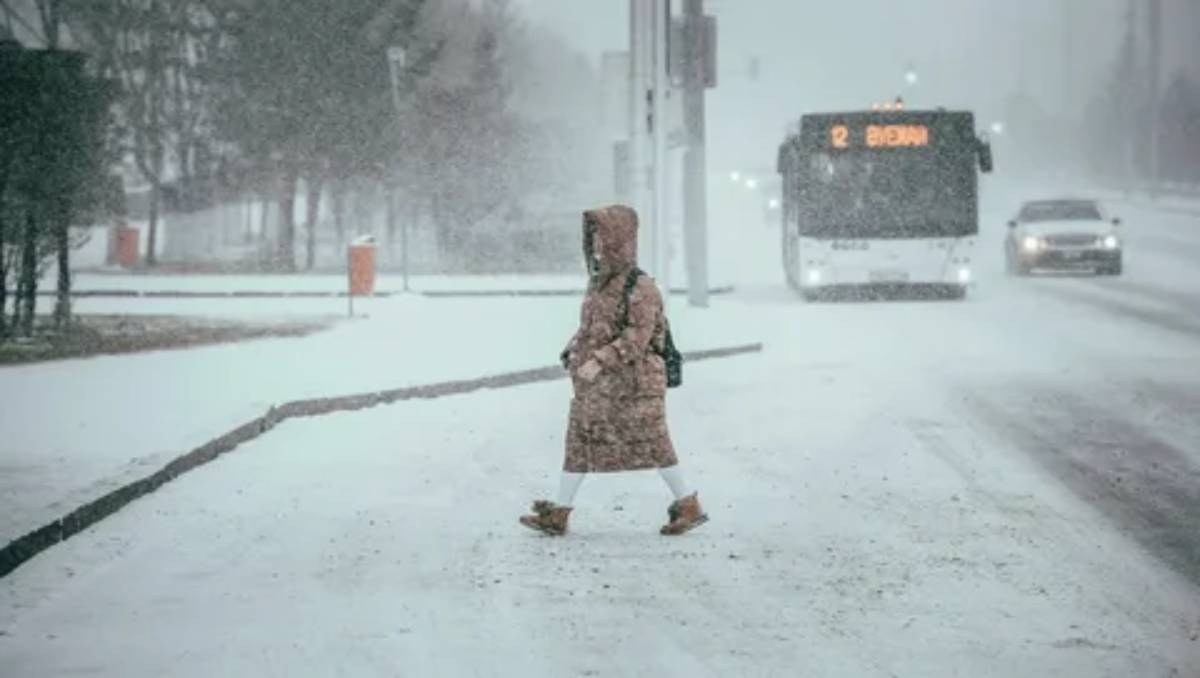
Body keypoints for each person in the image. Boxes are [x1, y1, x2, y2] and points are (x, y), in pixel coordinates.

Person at [519, 205, 707, 537]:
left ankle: (688, 504)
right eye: (591, 238)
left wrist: (600, 360)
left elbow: (638, 336)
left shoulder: (640, 285)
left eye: (601, 237)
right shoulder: (598, 283)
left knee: (654, 443)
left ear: (618, 240)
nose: (595, 245)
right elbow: (592, 327)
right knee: (578, 442)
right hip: (598, 385)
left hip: (634, 383)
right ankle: (559, 513)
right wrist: (574, 348)